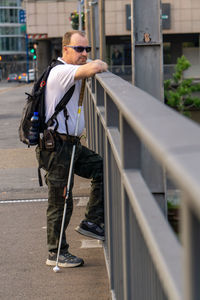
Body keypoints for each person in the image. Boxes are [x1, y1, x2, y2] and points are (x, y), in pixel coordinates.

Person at [37, 30, 108, 268]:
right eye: (79, 49)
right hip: (57, 147)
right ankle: (56, 253)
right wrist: (98, 62)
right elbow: (93, 68)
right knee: (60, 201)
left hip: (70, 145)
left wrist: (90, 61)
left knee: (102, 168)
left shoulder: (65, 70)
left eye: (87, 49)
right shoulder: (61, 72)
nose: (85, 54)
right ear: (66, 49)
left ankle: (92, 221)